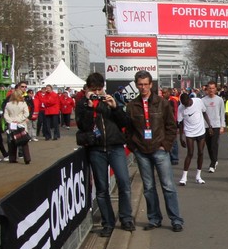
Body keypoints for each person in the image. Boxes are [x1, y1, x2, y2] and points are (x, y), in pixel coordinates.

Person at [75, 72, 134, 236]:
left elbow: (124, 122)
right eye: (93, 90)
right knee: (102, 189)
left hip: (115, 146)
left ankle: (126, 218)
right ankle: (108, 222)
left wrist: (115, 107)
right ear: (87, 89)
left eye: (99, 89)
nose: (97, 93)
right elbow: (83, 126)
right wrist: (89, 106)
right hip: (96, 149)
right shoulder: (82, 104)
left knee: (124, 183)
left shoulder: (110, 99)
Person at [125, 70, 183, 232]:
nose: (143, 87)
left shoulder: (162, 103)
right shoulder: (132, 106)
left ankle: (176, 219)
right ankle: (154, 218)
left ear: (151, 85)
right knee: (149, 187)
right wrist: (134, 147)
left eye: (146, 84)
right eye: (140, 84)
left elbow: (171, 126)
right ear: (136, 85)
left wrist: (165, 145)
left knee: (168, 186)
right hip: (141, 151)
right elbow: (128, 130)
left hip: (159, 149)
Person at [177, 91, 208, 186]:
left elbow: (204, 113)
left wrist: (210, 126)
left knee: (201, 153)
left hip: (201, 131)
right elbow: (180, 123)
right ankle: (184, 177)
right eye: (183, 104)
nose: (185, 106)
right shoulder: (181, 108)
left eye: (186, 104)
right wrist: (181, 138)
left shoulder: (198, 101)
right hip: (189, 132)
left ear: (189, 99)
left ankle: (198, 176)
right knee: (190, 153)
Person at [200, 81, 226, 172]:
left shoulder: (219, 100)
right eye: (209, 88)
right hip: (206, 126)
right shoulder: (203, 100)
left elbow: (222, 113)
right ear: (207, 89)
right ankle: (214, 160)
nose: (211, 90)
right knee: (209, 145)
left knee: (214, 145)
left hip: (216, 125)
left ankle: (212, 164)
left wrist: (222, 126)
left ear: (215, 89)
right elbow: (201, 113)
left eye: (213, 88)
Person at [3, 89, 33, 165]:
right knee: (24, 141)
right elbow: (26, 114)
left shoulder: (8, 104)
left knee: (12, 141)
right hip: (21, 124)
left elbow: (5, 115)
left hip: (12, 124)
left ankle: (12, 158)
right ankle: (27, 159)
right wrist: (19, 120)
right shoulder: (23, 104)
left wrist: (11, 121)